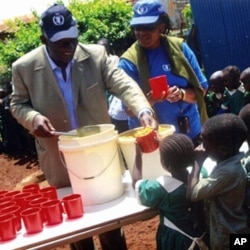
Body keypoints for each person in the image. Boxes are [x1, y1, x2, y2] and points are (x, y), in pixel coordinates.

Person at [10, 4, 157, 250]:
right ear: (43, 38)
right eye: (61, 43)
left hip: (101, 158)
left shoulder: (96, 56)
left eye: (72, 40)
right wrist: (33, 118)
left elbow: (123, 84)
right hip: (60, 161)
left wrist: (143, 109)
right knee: (77, 229)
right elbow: (17, 103)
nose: (69, 48)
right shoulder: (24, 68)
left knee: (111, 222)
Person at [119, 0, 209, 147]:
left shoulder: (180, 49)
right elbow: (128, 110)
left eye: (147, 27)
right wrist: (150, 102)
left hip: (189, 136)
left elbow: (202, 90)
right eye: (137, 27)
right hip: (153, 142)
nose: (141, 33)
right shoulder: (129, 62)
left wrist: (181, 94)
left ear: (161, 27)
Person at [132, 133, 208, 250]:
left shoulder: (162, 188)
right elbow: (189, 163)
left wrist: (138, 155)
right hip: (203, 236)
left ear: (166, 165)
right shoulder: (201, 174)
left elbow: (136, 183)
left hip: (176, 241)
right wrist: (169, 147)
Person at [187, 113, 248, 249]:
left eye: (206, 145)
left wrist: (198, 162)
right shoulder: (234, 159)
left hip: (227, 235)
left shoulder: (228, 172)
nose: (201, 148)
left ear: (223, 150)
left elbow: (192, 194)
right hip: (238, 227)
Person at [96, 37, 129, 133]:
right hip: (105, 95)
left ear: (107, 48)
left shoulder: (115, 60)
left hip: (115, 94)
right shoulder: (96, 62)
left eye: (103, 48)